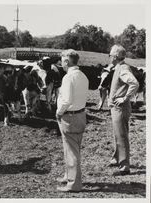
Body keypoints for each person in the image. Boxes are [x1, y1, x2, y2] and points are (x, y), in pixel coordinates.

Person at [56, 49, 89, 192]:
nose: (61, 64)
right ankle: (68, 175)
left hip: (69, 116)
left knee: (71, 151)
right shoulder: (82, 76)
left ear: (67, 61)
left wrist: (59, 112)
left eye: (62, 60)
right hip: (81, 115)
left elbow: (67, 100)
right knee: (72, 148)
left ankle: (74, 184)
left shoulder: (68, 77)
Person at [107, 44, 139, 175]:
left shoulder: (123, 68)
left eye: (110, 55)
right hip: (117, 107)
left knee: (121, 135)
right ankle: (116, 158)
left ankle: (124, 165)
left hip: (120, 107)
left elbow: (134, 83)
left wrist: (125, 98)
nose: (109, 57)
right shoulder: (119, 67)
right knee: (118, 134)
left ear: (115, 56)